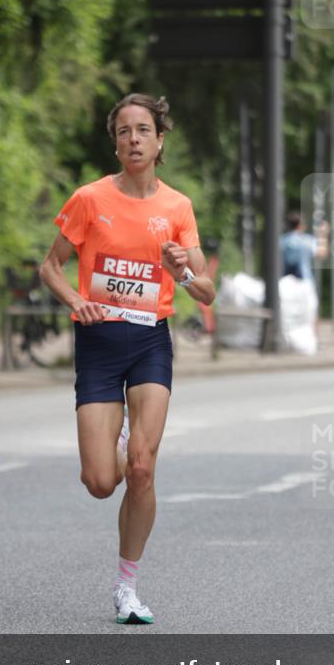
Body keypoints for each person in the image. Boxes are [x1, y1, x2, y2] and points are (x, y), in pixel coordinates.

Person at [40, 93, 215, 624]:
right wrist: (76, 300)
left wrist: (181, 270)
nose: (133, 139)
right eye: (123, 132)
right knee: (100, 482)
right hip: (97, 343)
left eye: (143, 130)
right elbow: (50, 266)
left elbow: (206, 293)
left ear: (160, 140)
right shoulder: (90, 199)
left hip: (148, 343)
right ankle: (116, 442)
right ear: (115, 143)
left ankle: (127, 587)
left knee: (142, 468)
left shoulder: (177, 208)